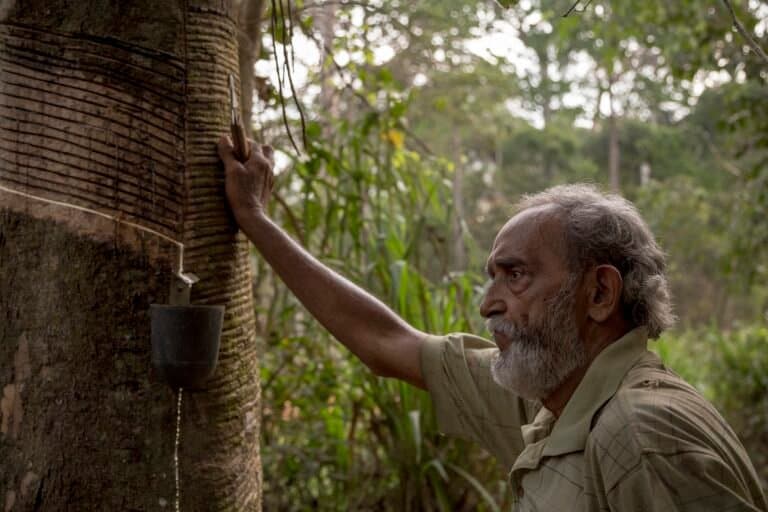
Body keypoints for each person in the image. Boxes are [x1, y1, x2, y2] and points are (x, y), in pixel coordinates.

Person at [218, 136, 768, 511]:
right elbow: (386, 342)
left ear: (599, 293)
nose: (488, 305)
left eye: (516, 275)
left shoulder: (639, 435)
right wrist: (255, 220)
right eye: (493, 278)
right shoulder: (551, 400)